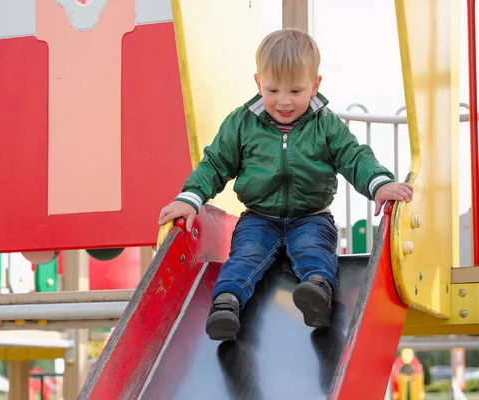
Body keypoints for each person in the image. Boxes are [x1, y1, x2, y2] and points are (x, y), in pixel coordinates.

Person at [158, 28, 413, 341]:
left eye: (295, 91)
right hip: (258, 217)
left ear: (315, 85)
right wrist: (190, 198)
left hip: (312, 216)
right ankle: (227, 303)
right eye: (273, 89)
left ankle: (318, 292)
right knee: (245, 255)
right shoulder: (241, 123)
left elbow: (354, 157)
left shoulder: (325, 124)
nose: (283, 101)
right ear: (258, 83)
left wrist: (379, 184)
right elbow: (214, 165)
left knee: (314, 249)